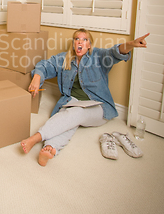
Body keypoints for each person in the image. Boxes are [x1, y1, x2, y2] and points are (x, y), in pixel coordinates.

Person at [21, 28, 149, 166]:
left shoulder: (98, 56)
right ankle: (51, 147)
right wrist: (37, 77)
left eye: (84, 39)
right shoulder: (63, 59)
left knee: (76, 113)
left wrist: (131, 44)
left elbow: (115, 53)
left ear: (89, 45)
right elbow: (45, 66)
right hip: (72, 102)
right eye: (77, 39)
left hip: (98, 106)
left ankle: (35, 138)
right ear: (73, 43)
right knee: (69, 116)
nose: (80, 42)